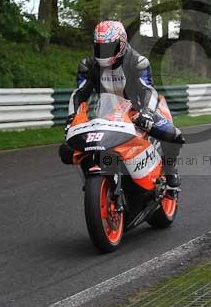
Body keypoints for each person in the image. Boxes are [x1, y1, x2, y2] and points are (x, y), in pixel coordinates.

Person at [61, 20, 184, 189]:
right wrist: (72, 118)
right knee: (67, 149)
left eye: (109, 47)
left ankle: (171, 170)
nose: (104, 52)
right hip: (105, 114)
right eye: (100, 47)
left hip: (137, 111)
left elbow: (148, 90)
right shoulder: (88, 65)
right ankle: (94, 175)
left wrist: (147, 113)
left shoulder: (139, 62)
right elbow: (80, 94)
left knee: (173, 135)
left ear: (122, 44)